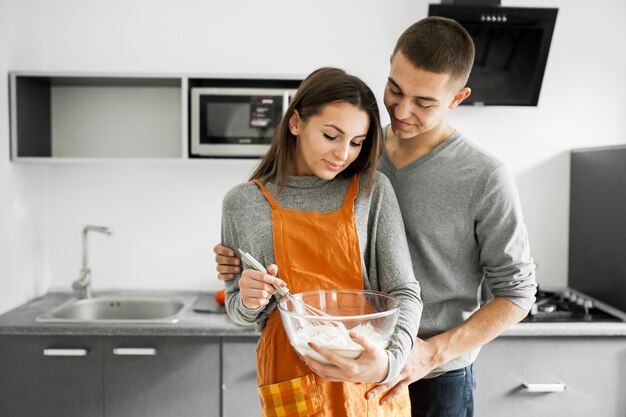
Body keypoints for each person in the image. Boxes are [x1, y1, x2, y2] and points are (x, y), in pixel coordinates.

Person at [215, 16, 537, 417]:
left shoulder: (485, 176)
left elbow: (518, 293)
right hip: (345, 362)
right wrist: (240, 263)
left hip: (437, 374)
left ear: (457, 98)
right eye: (395, 90)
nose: (402, 111)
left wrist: (427, 354)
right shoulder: (358, 150)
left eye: (424, 102)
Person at [220, 66, 422, 417]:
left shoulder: (371, 192)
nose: (344, 153)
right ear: (296, 123)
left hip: (366, 377)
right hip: (290, 377)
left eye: (357, 142)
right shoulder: (243, 203)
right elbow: (240, 309)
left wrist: (389, 362)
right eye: (331, 135)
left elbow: (404, 291)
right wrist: (252, 299)